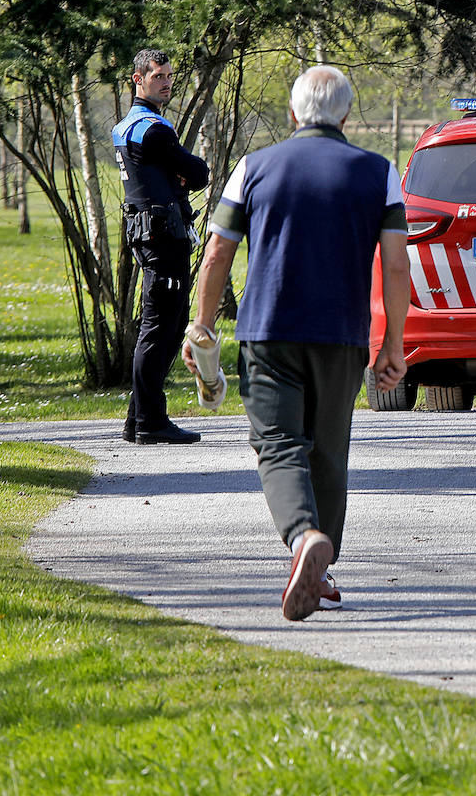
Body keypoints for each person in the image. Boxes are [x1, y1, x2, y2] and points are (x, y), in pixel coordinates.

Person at [183, 65, 410, 622]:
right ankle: (321, 564)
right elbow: (397, 263)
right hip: (343, 336)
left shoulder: (254, 168)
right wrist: (393, 346)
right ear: (346, 116)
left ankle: (303, 537)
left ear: (292, 114)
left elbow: (216, 254)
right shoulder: (378, 172)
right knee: (328, 450)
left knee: (279, 443)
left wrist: (202, 325)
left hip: (269, 330)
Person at [112, 48, 210, 445]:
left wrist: (177, 176)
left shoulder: (126, 127)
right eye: (158, 76)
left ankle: (137, 419)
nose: (166, 82)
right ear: (138, 79)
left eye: (169, 76)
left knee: (163, 325)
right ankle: (151, 422)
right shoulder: (154, 129)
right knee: (161, 327)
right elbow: (199, 172)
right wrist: (182, 176)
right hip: (162, 235)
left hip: (145, 233)